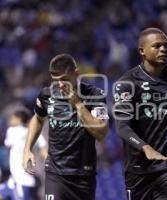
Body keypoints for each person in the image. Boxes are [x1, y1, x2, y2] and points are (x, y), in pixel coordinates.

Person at [113, 28, 167, 200]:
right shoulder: (127, 83)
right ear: (142, 51)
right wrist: (145, 147)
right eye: (157, 46)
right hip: (138, 168)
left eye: (166, 46)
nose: (163, 49)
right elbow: (122, 126)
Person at [22, 54, 109, 200]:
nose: (60, 85)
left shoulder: (95, 95)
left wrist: (78, 104)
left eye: (64, 80)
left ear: (76, 73)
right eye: (56, 81)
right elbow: (37, 118)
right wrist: (27, 149)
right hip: (55, 173)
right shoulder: (46, 95)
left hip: (83, 174)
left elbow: (101, 132)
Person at [5, 110, 47, 200]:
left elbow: (7, 143)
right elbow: (44, 151)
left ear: (18, 119)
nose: (10, 120)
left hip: (20, 180)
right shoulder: (36, 134)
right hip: (21, 180)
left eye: (12, 118)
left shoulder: (12, 131)